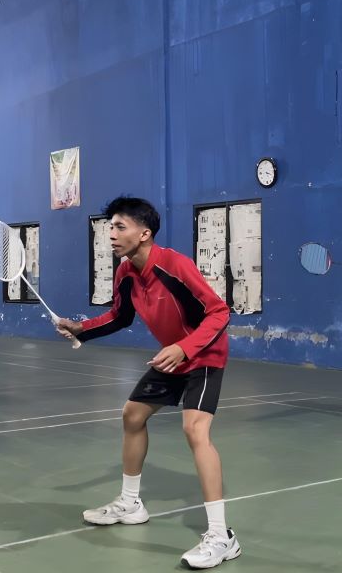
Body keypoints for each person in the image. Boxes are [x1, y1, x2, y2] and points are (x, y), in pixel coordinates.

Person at [56, 197, 241, 569]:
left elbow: (220, 311)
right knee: (132, 416)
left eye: (119, 227)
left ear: (145, 233)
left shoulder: (174, 265)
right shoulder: (126, 272)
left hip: (203, 353)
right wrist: (81, 329)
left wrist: (185, 348)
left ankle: (222, 537)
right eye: (110, 227)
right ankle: (130, 503)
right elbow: (119, 317)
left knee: (195, 430)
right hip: (172, 355)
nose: (111, 234)